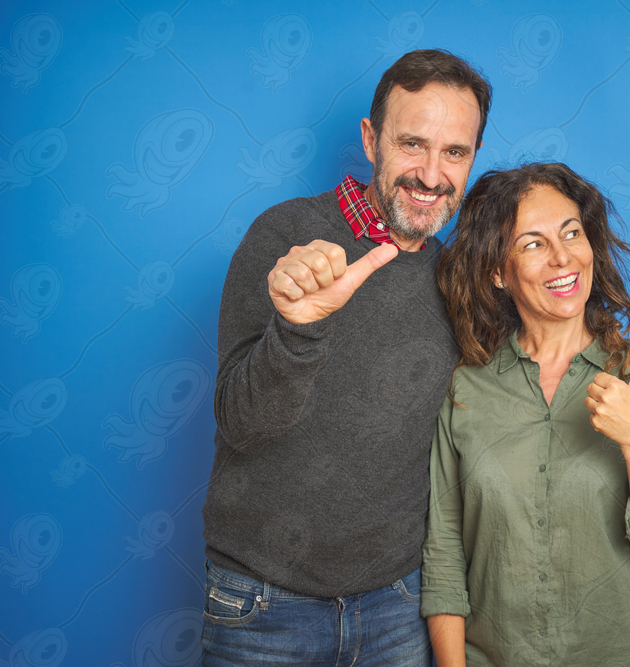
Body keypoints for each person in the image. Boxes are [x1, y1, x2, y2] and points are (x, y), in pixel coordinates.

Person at [200, 50, 492, 666]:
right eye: (412, 144)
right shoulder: (284, 238)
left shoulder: (457, 279)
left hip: (398, 608)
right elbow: (240, 421)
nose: (432, 175)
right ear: (370, 140)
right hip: (261, 606)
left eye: (455, 152)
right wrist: (298, 328)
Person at [421, 163, 630, 666]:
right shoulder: (466, 387)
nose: (563, 257)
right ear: (497, 272)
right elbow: (443, 556)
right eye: (532, 244)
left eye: (572, 233)